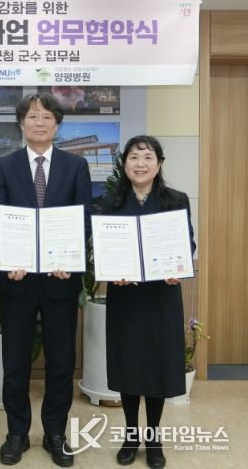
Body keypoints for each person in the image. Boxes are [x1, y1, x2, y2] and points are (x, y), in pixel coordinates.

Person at [0, 93, 92, 467]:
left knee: (61, 362)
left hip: (60, 279)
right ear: (21, 124)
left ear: (57, 125)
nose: (39, 122)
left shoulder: (76, 166)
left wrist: (69, 258)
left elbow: (83, 218)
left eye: (47, 117)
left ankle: (55, 433)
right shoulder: (4, 166)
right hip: (17, 280)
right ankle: (16, 434)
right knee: (15, 361)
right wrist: (10, 257)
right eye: (32, 116)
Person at [102, 136, 195, 469]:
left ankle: (154, 438)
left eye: (147, 157)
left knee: (156, 366)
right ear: (124, 163)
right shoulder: (110, 202)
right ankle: (131, 436)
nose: (140, 164)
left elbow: (188, 242)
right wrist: (112, 269)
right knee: (129, 365)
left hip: (161, 297)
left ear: (159, 164)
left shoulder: (176, 200)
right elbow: (103, 247)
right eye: (133, 157)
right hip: (125, 298)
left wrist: (178, 266)